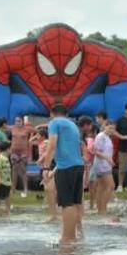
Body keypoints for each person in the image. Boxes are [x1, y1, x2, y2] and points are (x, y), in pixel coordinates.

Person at [45, 104, 84, 245]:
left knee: (67, 204)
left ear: (51, 113)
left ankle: (68, 238)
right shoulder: (73, 125)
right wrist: (54, 170)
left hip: (67, 167)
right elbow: (73, 150)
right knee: (75, 202)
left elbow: (52, 145)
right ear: (66, 114)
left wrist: (46, 167)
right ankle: (79, 235)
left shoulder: (54, 123)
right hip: (78, 166)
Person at [92, 120, 116, 219]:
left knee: (101, 188)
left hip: (106, 164)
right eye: (109, 128)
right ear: (104, 126)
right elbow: (96, 151)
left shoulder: (107, 137)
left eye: (113, 128)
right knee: (111, 186)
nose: (111, 130)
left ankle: (100, 210)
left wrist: (110, 159)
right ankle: (103, 208)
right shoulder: (101, 136)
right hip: (102, 165)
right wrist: (107, 158)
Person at [33, 127, 58, 221]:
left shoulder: (47, 142)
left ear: (43, 136)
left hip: (49, 166)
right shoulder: (41, 143)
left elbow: (49, 151)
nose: (36, 136)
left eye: (38, 135)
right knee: (47, 187)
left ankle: (53, 211)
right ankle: (51, 208)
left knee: (49, 188)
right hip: (45, 167)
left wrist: (41, 159)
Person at [9, 116, 34, 198]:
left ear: (23, 121)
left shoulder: (27, 129)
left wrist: (32, 140)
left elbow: (38, 131)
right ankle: (13, 188)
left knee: (23, 170)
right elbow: (3, 127)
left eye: (19, 121)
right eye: (16, 121)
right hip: (14, 151)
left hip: (23, 152)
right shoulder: (12, 128)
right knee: (14, 170)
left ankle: (25, 188)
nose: (17, 122)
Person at [78, 116, 96, 211]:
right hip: (84, 163)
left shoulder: (87, 137)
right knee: (82, 185)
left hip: (89, 163)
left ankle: (92, 205)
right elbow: (83, 151)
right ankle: (81, 205)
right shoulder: (80, 137)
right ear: (85, 126)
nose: (91, 127)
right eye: (89, 125)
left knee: (91, 185)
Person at [0, 141, 12, 216]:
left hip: (7, 181)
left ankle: (7, 210)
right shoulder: (0, 158)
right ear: (7, 149)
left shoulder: (7, 158)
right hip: (2, 181)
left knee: (7, 196)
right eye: (10, 149)